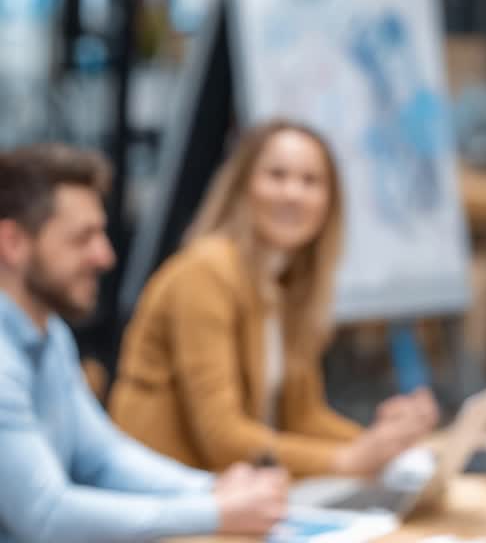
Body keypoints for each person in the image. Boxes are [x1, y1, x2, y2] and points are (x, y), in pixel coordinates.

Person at [110, 120, 439, 479]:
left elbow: (303, 417)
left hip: (238, 497)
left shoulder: (286, 286)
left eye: (310, 181)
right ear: (243, 186)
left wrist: (384, 445)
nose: (293, 193)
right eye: (276, 175)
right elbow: (222, 438)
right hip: (172, 501)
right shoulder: (205, 271)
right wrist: (346, 461)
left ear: (330, 202)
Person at [0, 144, 288, 541]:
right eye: (83, 238)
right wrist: (211, 512)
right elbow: (44, 514)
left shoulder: (49, 335)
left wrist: (211, 489)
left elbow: (103, 457)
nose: (105, 256)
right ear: (13, 243)